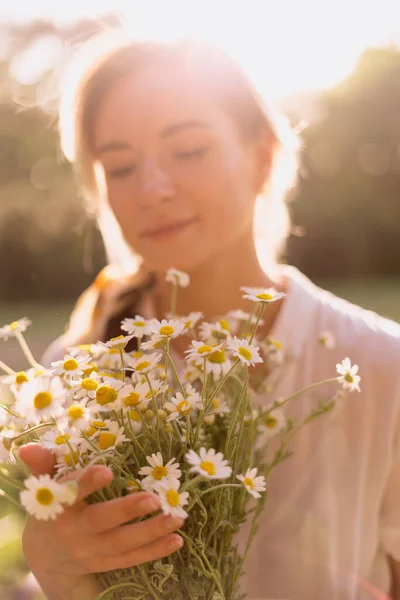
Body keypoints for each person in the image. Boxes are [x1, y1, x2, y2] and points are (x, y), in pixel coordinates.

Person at [18, 31, 400, 600]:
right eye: (120, 167)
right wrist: (59, 580)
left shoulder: (380, 367)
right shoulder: (76, 378)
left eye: (189, 150)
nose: (152, 189)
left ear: (262, 157)